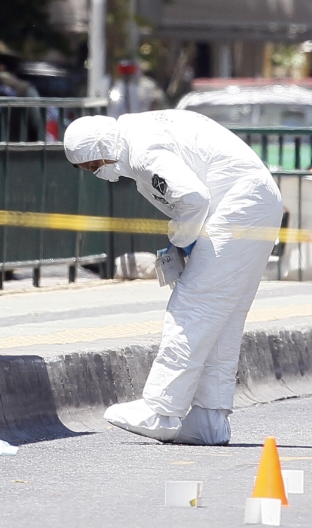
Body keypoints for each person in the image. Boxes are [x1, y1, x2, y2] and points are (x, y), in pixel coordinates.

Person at [63, 110, 283, 445]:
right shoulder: (139, 133)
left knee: (193, 307)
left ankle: (160, 409)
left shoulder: (139, 150)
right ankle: (209, 420)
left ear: (101, 145)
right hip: (256, 201)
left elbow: (193, 198)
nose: (98, 173)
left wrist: (180, 241)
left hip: (240, 204)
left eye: (94, 165)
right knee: (223, 316)